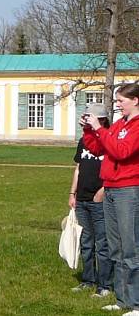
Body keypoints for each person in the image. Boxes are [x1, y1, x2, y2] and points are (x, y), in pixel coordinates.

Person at [82, 83, 139, 316]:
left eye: (121, 101)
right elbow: (98, 149)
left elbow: (121, 151)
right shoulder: (119, 124)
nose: (117, 105)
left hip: (129, 189)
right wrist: (89, 130)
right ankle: (123, 299)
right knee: (116, 248)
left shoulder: (136, 126)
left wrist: (100, 129)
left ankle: (136, 303)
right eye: (116, 101)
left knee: (131, 249)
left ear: (135, 100)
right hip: (112, 189)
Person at [69, 103, 113, 298]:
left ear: (101, 119)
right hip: (82, 199)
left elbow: (115, 169)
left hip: (99, 199)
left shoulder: (109, 140)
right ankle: (88, 280)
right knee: (86, 242)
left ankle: (105, 285)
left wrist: (103, 191)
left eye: (90, 118)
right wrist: (73, 193)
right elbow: (78, 168)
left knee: (102, 244)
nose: (85, 121)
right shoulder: (84, 141)